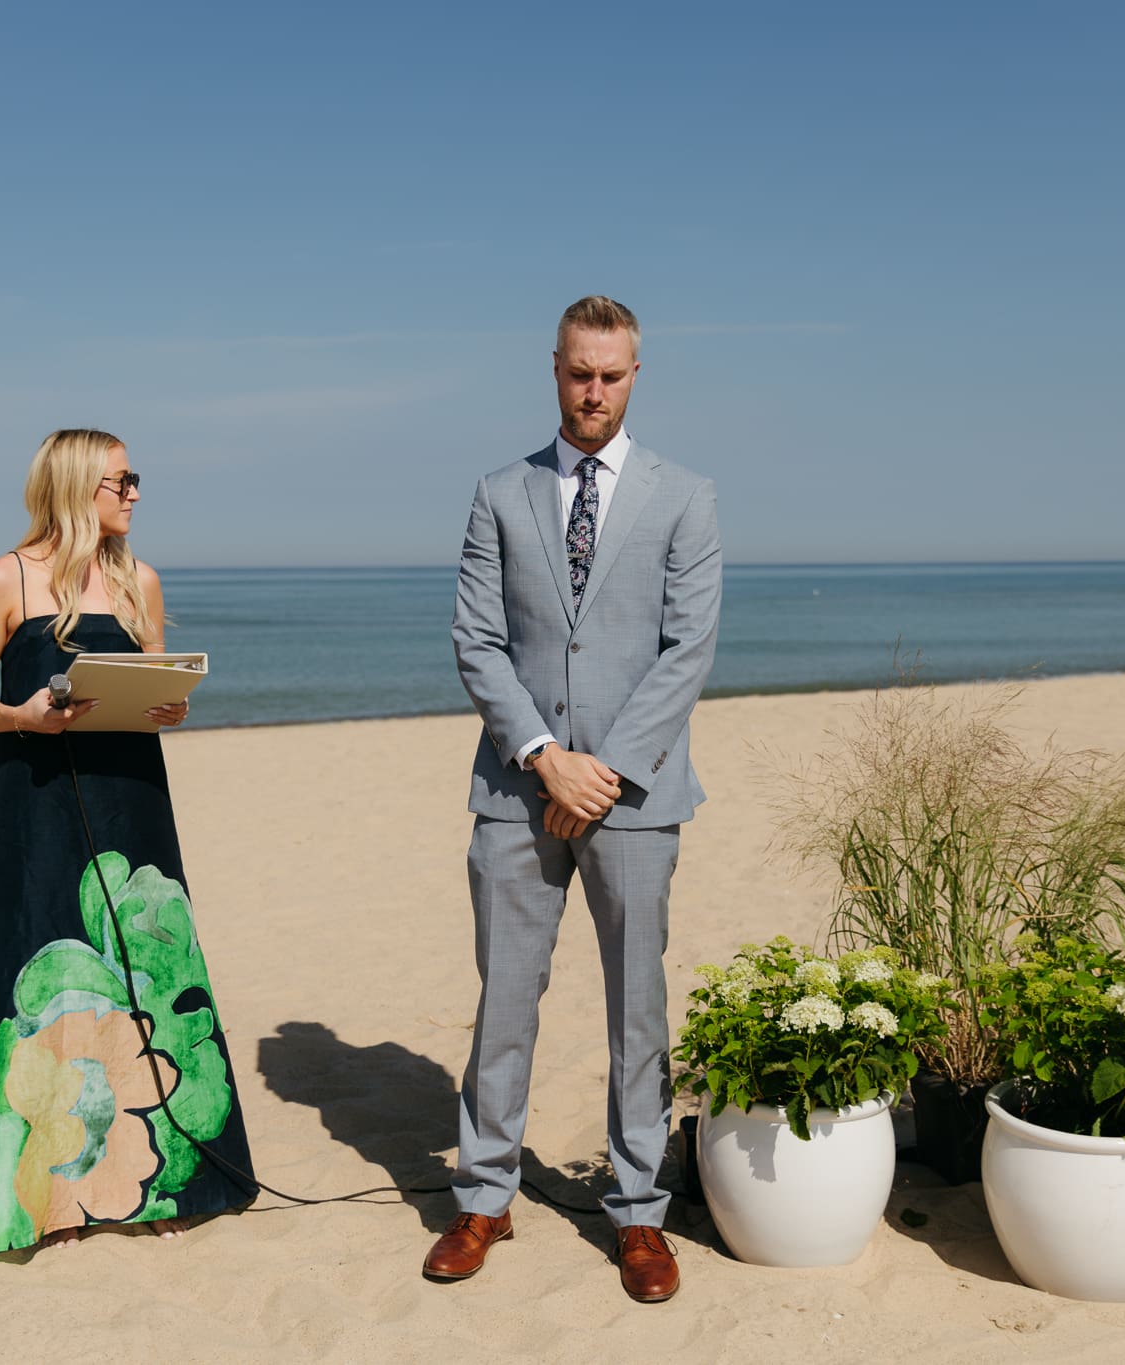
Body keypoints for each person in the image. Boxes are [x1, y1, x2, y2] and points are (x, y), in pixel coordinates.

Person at [430, 297, 722, 1301]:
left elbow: (686, 652)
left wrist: (601, 773)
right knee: (503, 1002)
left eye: (610, 375)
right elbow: (476, 641)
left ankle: (639, 1214)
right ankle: (482, 1198)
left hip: (635, 798)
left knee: (637, 1009)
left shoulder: (684, 497)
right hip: (517, 791)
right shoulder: (496, 492)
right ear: (552, 369)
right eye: (576, 373)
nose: (592, 391)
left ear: (634, 375)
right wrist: (547, 757)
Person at [0, 428, 254, 1256]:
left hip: (133, 799)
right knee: (36, 950)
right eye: (123, 480)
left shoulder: (137, 580)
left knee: (149, 964)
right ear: (79, 484)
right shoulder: (1, 579)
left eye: (134, 480)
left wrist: (170, 705)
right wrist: (22, 717)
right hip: (36, 797)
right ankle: (44, 1203)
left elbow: (156, 683)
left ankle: (166, 1183)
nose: (135, 494)